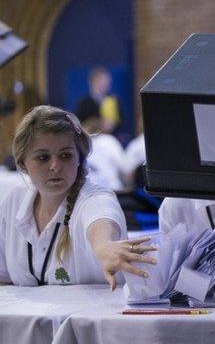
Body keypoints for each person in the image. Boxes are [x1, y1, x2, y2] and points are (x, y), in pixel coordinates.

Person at [0, 105, 154, 289]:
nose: (55, 166)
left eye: (65, 156)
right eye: (43, 158)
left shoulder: (95, 197)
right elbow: (4, 278)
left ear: (79, 160)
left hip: (95, 316)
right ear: (22, 163)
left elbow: (101, 223)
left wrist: (104, 247)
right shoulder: (14, 200)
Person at [76, 67, 121, 135]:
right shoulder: (84, 103)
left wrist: (113, 124)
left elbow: (121, 122)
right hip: (92, 137)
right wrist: (96, 123)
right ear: (93, 82)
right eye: (101, 81)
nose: (105, 85)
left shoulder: (113, 100)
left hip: (111, 138)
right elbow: (79, 123)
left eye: (107, 82)